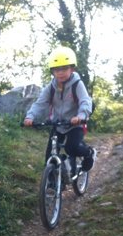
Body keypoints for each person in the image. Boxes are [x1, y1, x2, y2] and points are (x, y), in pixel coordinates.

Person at [23, 46, 96, 178]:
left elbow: (85, 101)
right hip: (58, 124)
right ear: (52, 71)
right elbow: (40, 103)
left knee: (71, 148)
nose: (60, 73)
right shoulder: (51, 87)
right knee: (49, 155)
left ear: (72, 69)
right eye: (57, 69)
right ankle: (52, 183)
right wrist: (30, 117)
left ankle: (89, 153)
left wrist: (81, 116)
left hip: (75, 124)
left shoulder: (77, 84)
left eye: (64, 69)